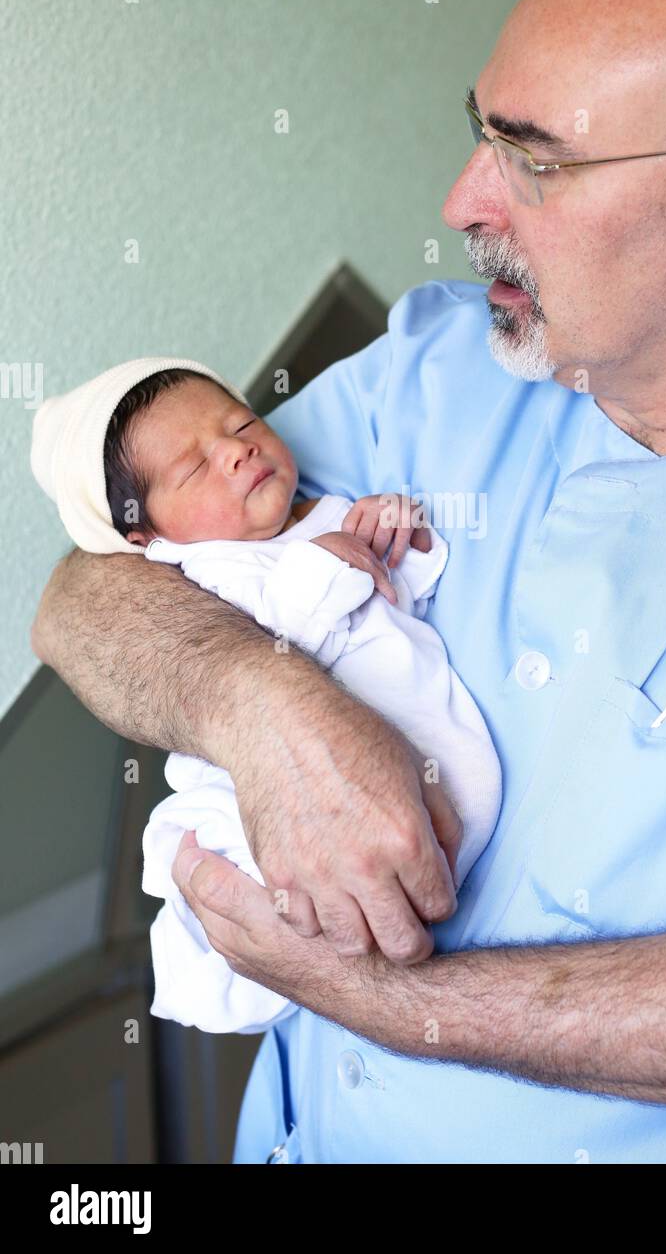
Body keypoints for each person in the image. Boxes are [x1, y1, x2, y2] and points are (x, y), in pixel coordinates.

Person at [31, 0, 666, 1164]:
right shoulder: (434, 363)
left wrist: (370, 993)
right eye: (478, 131)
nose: (463, 199)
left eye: (532, 158)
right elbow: (88, 594)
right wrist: (262, 708)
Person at [29, 359, 501, 1033]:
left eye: (241, 422)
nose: (237, 450)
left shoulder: (328, 511)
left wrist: (399, 531)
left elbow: (410, 596)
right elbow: (285, 638)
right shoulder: (201, 574)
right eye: (194, 468)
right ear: (146, 536)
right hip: (272, 796)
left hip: (425, 748)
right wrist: (331, 564)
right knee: (267, 877)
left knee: (447, 821)